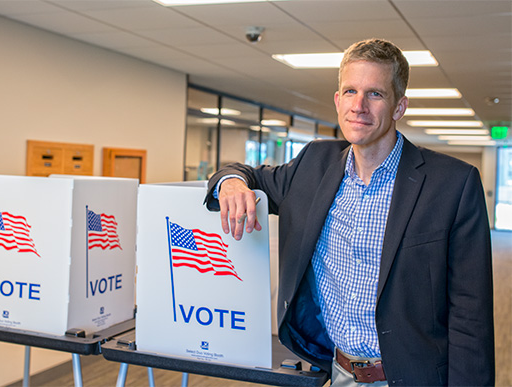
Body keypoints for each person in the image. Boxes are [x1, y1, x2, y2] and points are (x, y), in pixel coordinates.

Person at [204, 38, 494, 386]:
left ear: (399, 106)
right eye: (350, 91)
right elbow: (245, 174)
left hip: (413, 376)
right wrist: (232, 183)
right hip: (338, 372)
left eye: (375, 94)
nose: (359, 106)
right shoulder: (313, 164)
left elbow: (471, 316)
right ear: (337, 100)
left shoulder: (452, 184)